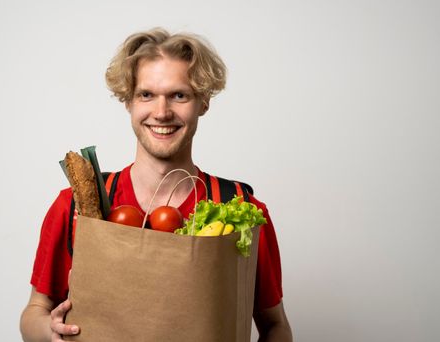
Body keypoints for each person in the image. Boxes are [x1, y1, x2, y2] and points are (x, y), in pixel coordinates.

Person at [20, 28, 292, 342]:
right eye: (146, 95)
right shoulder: (74, 206)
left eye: (179, 95)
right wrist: (48, 331)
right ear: (128, 102)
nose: (161, 113)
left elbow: (276, 327)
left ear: (202, 102)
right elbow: (35, 311)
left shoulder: (240, 210)